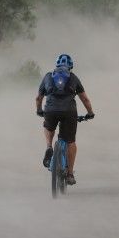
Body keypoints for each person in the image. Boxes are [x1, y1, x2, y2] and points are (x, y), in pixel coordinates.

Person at [36, 53, 94, 185]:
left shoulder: (47, 76)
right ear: (71, 67)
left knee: (48, 126)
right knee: (71, 142)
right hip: (69, 112)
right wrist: (90, 113)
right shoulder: (73, 78)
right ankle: (70, 174)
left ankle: (49, 147)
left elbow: (38, 98)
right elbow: (85, 99)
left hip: (50, 111)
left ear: (56, 65)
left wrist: (40, 110)